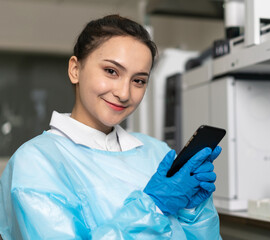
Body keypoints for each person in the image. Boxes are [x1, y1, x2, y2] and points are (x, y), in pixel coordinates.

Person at [0, 14, 223, 239]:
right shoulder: (35, 163)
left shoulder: (157, 153)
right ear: (75, 70)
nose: (124, 93)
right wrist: (154, 207)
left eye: (138, 81)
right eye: (111, 71)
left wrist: (192, 211)